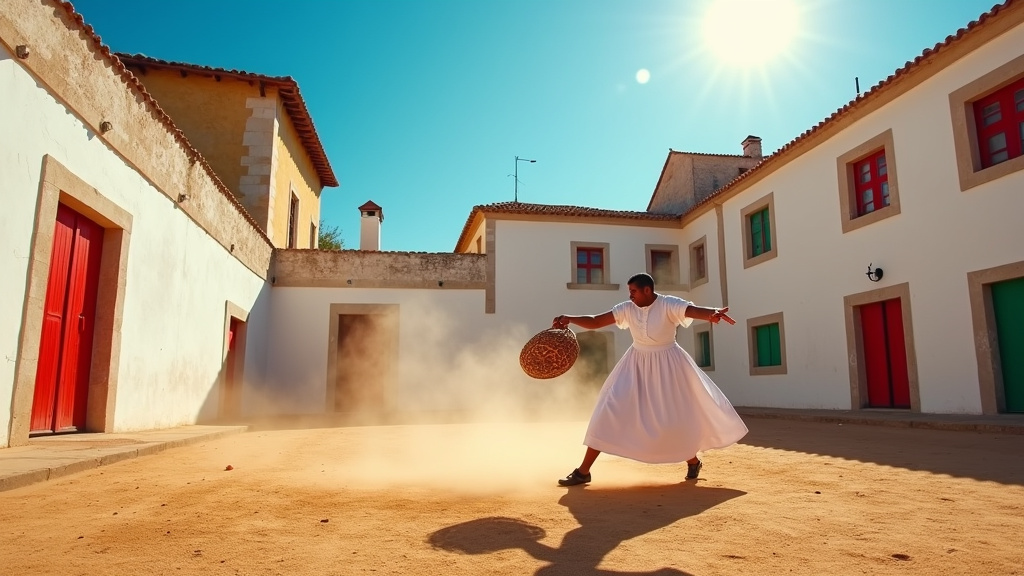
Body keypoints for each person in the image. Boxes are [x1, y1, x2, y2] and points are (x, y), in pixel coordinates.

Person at [552, 272, 747, 486]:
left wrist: (712, 313)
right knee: (609, 409)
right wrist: (570, 319)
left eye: (634, 291)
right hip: (635, 364)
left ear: (647, 290)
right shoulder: (627, 308)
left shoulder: (668, 304)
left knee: (671, 418)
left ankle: (692, 460)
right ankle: (583, 472)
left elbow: (690, 310)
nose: (631, 296)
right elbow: (596, 321)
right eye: (629, 292)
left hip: (669, 365)